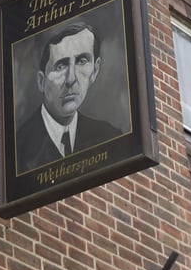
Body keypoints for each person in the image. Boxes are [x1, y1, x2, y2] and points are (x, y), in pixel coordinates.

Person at [15, 21, 121, 173]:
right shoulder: (17, 151)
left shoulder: (111, 138)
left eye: (82, 61)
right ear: (41, 81)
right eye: (60, 66)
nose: (71, 79)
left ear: (95, 70)